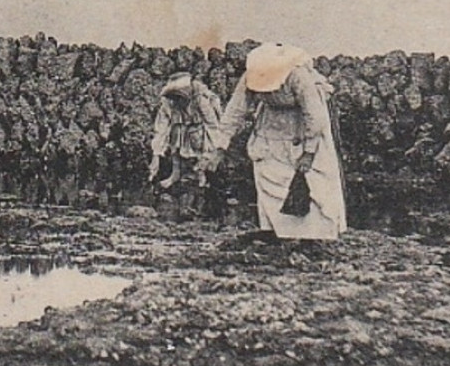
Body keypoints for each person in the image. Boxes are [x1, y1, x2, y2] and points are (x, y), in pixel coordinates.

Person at [200, 43, 347, 242]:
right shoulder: (251, 77)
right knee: (268, 168)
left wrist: (309, 152)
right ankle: (277, 230)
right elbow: (235, 112)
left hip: (302, 122)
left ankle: (315, 234)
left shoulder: (298, 76)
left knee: (313, 178)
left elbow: (315, 116)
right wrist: (219, 148)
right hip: (270, 122)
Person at [148, 71, 223, 188]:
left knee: (197, 135)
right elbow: (161, 128)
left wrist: (210, 154)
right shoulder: (168, 103)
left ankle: (201, 173)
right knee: (175, 131)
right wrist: (156, 155)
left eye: (178, 98)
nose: (176, 101)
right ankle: (175, 173)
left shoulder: (200, 100)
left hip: (199, 131)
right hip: (181, 129)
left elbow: (212, 126)